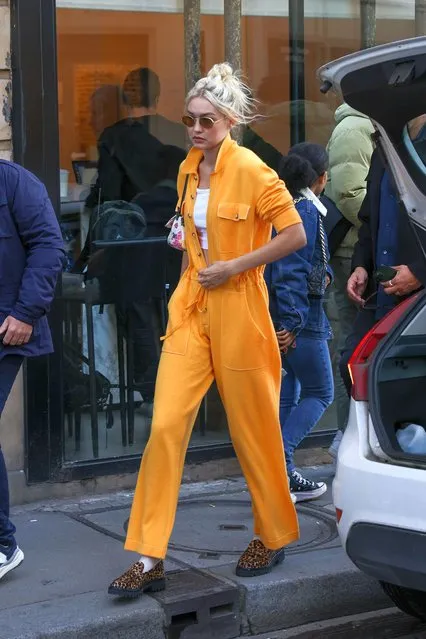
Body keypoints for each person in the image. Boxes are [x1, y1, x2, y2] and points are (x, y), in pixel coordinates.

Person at [108, 62, 306, 598]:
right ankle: (150, 559)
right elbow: (189, 239)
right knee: (166, 425)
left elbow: (294, 236)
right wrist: (187, 286)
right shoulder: (188, 169)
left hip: (241, 306)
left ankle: (272, 532)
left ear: (231, 121)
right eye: (190, 119)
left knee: (255, 427)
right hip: (192, 306)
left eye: (207, 121)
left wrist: (237, 266)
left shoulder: (257, 172)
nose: (196, 129)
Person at [0, 161, 64, 581]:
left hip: (5, 329)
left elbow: (50, 247)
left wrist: (26, 313)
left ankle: (4, 545)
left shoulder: (15, 182)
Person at [265, 143, 334, 502]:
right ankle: (279, 467)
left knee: (288, 394)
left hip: (284, 312)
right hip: (300, 317)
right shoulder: (305, 209)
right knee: (321, 392)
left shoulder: (283, 204)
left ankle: (282, 476)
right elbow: (290, 267)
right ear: (321, 178)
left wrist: (327, 275)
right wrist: (291, 322)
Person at [340, 116, 426, 396]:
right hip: (381, 296)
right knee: (352, 366)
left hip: (418, 300)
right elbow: (369, 221)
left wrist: (419, 273)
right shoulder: (385, 144)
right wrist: (361, 266)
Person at [324, 103, 375, 457]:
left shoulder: (370, 126)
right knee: (353, 347)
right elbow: (348, 193)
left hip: (365, 251)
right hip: (354, 254)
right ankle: (346, 437)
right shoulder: (356, 129)